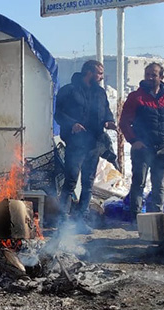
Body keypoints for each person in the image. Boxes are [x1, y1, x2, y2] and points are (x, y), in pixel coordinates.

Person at [55, 60, 116, 233]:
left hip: (94, 143)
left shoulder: (100, 93)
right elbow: (58, 114)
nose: (102, 77)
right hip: (76, 143)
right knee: (71, 181)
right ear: (88, 72)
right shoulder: (69, 90)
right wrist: (72, 123)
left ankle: (81, 220)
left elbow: (106, 111)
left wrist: (109, 121)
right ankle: (62, 220)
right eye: (99, 73)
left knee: (88, 183)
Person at [119, 63, 164, 221]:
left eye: (153, 75)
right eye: (147, 74)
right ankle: (135, 216)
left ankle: (157, 218)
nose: (149, 77)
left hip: (163, 150)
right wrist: (133, 140)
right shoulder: (136, 97)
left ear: (161, 77)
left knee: (158, 184)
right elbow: (124, 122)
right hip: (142, 149)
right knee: (138, 183)